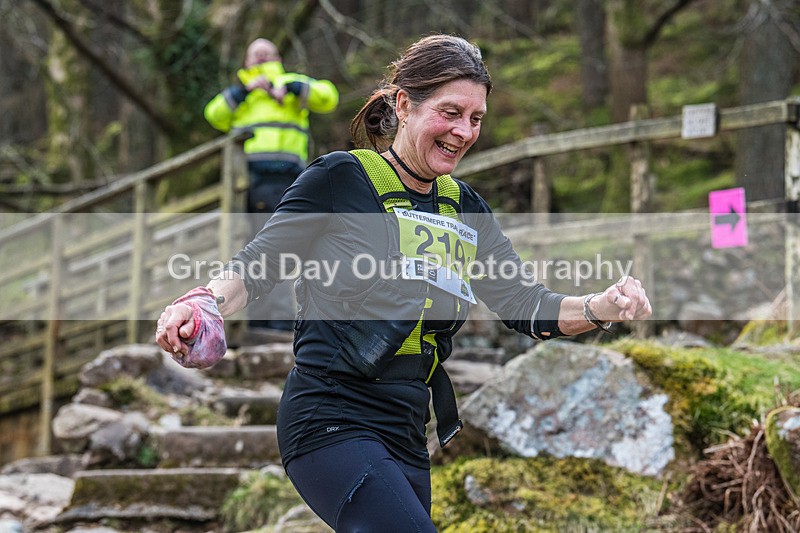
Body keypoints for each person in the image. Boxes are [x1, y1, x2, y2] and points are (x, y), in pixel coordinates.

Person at [158, 34, 652, 532]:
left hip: (408, 432)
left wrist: (600, 306)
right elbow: (258, 264)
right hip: (329, 418)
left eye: (476, 118)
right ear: (403, 105)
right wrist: (203, 303)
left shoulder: (466, 208)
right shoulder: (339, 178)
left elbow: (524, 303)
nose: (463, 131)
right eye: (450, 112)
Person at [204, 38, 339, 331]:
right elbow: (213, 115)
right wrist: (244, 91)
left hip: (289, 178)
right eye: (256, 55)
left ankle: (275, 319)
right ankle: (266, 319)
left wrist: (292, 88)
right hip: (250, 181)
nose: (262, 59)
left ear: (278, 58)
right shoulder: (242, 93)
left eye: (267, 54)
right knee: (260, 245)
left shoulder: (291, 83)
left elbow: (328, 97)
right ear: (246, 61)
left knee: (276, 244)